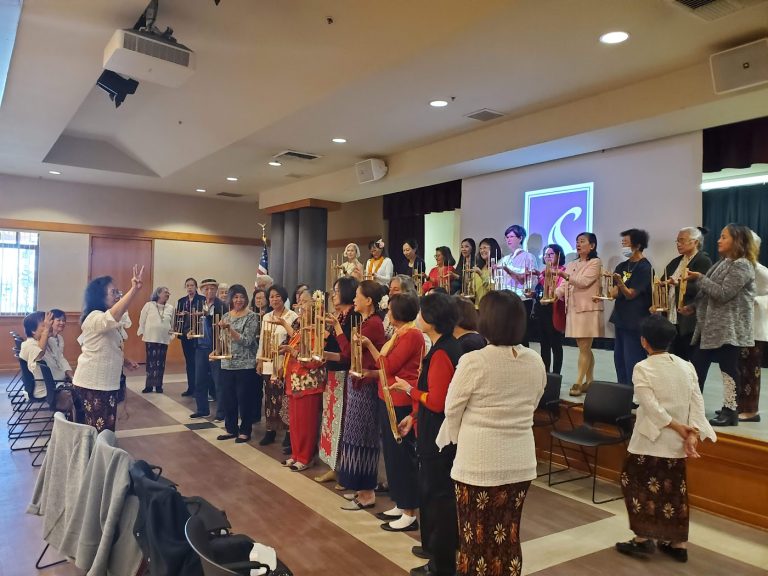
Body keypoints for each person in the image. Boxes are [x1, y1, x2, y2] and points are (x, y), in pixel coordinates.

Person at [439, 290, 545, 576]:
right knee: (508, 537)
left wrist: (461, 436)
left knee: (475, 539)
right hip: (520, 463)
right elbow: (534, 402)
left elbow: (452, 410)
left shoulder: (475, 361)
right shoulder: (534, 360)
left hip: (478, 462)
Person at [615, 315, 716, 564]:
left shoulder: (643, 367)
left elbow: (651, 407)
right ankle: (678, 544)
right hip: (676, 443)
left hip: (650, 440)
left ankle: (642, 539)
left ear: (644, 342)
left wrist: (679, 427)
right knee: (674, 493)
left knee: (637, 484)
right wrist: (691, 431)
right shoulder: (687, 366)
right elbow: (697, 401)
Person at [390, 292, 464, 576]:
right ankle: (435, 552)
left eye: (422, 313)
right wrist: (413, 415)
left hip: (438, 436)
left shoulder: (443, 351)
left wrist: (410, 391)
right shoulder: (443, 346)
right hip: (433, 429)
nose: (418, 318)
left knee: (439, 498)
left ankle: (441, 563)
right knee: (435, 495)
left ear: (432, 319)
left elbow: (437, 401)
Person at [359, 293, 424, 532]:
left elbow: (388, 365)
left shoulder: (412, 335)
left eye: (390, 311)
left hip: (400, 398)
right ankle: (400, 502)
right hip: (386, 395)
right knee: (392, 455)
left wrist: (369, 347)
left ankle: (409, 510)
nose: (387, 314)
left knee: (402, 455)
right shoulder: (399, 333)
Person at [686, 224, 757, 426]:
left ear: (737, 241)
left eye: (724, 237)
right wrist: (692, 307)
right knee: (697, 367)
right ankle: (694, 407)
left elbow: (723, 293)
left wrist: (699, 278)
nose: (719, 240)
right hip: (711, 327)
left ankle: (731, 411)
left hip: (729, 329)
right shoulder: (724, 262)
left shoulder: (742, 265)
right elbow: (708, 292)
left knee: (728, 370)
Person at [333, 280, 387, 510]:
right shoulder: (365, 321)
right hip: (358, 384)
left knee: (364, 436)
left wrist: (336, 327)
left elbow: (347, 352)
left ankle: (367, 492)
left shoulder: (373, 324)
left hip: (365, 387)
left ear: (369, 301)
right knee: (354, 435)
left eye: (357, 295)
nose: (353, 299)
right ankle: (359, 488)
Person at [72, 266, 144, 432]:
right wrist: (134, 290)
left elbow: (107, 345)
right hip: (93, 384)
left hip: (104, 384)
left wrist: (124, 361)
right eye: (114, 292)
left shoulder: (106, 319)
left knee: (104, 431)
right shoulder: (93, 317)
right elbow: (112, 317)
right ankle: (94, 458)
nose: (118, 296)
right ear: (99, 296)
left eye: (118, 292)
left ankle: (99, 457)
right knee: (98, 433)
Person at [316, 276, 358, 483]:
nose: (333, 295)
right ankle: (334, 465)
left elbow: (348, 353)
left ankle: (341, 468)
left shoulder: (352, 317)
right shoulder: (339, 316)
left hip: (344, 374)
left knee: (340, 422)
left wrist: (325, 354)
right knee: (331, 420)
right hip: (332, 373)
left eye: (336, 290)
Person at [280, 290, 327, 470]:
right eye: (300, 304)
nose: (301, 308)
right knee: (295, 421)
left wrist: (294, 352)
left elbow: (316, 360)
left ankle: (306, 457)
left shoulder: (319, 330)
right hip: (295, 380)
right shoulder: (301, 329)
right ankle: (296, 454)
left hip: (308, 383)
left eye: (305, 305)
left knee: (306, 422)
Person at [556, 232, 604, 396]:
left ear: (592, 246)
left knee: (584, 347)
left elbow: (583, 282)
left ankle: (578, 381)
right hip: (573, 309)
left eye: (582, 241)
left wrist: (566, 276)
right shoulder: (572, 263)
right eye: (577, 241)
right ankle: (589, 381)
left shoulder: (595, 262)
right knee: (584, 347)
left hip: (587, 309)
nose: (578, 244)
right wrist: (553, 295)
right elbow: (563, 285)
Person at [216, 284, 260, 443]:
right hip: (227, 363)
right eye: (235, 297)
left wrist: (230, 330)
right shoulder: (226, 316)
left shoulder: (252, 316)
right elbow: (222, 339)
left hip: (245, 365)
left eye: (241, 296)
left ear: (246, 298)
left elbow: (248, 341)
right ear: (231, 299)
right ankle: (231, 429)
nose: (238, 300)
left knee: (244, 399)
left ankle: (245, 431)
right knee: (228, 398)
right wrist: (215, 352)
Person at [609, 229, 652, 386]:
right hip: (620, 318)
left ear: (638, 245)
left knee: (632, 359)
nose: (623, 247)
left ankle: (634, 394)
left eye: (626, 243)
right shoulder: (622, 266)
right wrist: (609, 288)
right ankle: (623, 391)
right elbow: (613, 293)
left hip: (635, 320)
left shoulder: (645, 268)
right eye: (622, 244)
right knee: (619, 358)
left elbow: (630, 294)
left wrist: (620, 284)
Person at [257, 284, 298, 445]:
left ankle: (288, 433)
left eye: (277, 296)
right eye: (271, 297)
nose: (274, 299)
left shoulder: (292, 316)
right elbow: (262, 339)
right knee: (270, 396)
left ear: (284, 297)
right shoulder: (267, 317)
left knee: (285, 397)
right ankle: (270, 430)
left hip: (285, 362)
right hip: (269, 361)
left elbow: (295, 340)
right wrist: (259, 360)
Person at [663, 227, 712, 361]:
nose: (678, 244)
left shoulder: (703, 261)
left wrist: (679, 284)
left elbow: (704, 289)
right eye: (677, 241)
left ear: (695, 242)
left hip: (691, 322)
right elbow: (664, 280)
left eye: (682, 240)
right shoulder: (676, 262)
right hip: (673, 319)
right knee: (675, 362)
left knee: (694, 364)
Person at [19, 311, 77, 419]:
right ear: (33, 330)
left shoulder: (50, 341)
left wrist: (72, 377)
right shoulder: (28, 345)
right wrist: (46, 329)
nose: (49, 327)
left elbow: (61, 359)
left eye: (49, 323)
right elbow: (40, 354)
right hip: (49, 389)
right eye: (45, 325)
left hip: (58, 383)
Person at [737, 231, 767, 423]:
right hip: (736, 328)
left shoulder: (761, 271)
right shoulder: (735, 269)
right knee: (737, 370)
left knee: (750, 371)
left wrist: (754, 300)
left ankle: (751, 411)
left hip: (754, 329)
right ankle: (737, 406)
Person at [190, 279, 227, 420]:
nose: (209, 291)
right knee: (199, 380)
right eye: (206, 289)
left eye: (212, 288)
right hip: (200, 347)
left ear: (216, 290)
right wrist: (189, 331)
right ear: (201, 290)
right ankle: (202, 409)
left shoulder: (222, 306)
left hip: (215, 348)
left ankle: (221, 413)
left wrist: (208, 316)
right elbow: (190, 323)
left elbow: (224, 326)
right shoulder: (198, 304)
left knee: (219, 382)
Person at [499, 225, 537, 345]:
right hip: (507, 301)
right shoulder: (505, 259)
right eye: (507, 237)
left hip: (522, 301)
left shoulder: (528, 257)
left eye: (511, 236)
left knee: (521, 336)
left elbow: (528, 282)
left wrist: (508, 270)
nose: (508, 239)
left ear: (520, 238)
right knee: (507, 335)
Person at [533, 244, 566, 374]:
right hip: (542, 310)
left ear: (559, 255)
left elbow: (560, 292)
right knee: (544, 343)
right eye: (546, 254)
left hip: (555, 309)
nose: (548, 257)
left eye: (551, 254)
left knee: (556, 344)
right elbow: (539, 292)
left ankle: (556, 374)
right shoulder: (542, 273)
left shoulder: (563, 271)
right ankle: (545, 373)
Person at [137, 286, 174, 393]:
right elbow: (142, 319)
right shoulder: (149, 305)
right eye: (165, 292)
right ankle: (149, 385)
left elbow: (172, 323)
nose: (167, 294)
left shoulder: (170, 308)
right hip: (151, 338)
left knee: (161, 363)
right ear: (158, 294)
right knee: (151, 362)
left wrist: (171, 336)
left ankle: (158, 385)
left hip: (164, 338)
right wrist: (143, 331)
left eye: (168, 292)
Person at [176, 278, 205, 397]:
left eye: (192, 285)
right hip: (185, 335)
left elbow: (204, 315)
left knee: (198, 363)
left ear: (196, 287)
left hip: (198, 335)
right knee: (189, 363)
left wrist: (192, 314)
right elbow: (178, 318)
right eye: (187, 285)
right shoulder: (181, 301)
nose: (189, 288)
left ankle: (200, 389)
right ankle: (191, 387)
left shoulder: (202, 300)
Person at [471, 237, 503, 307]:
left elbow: (494, 289)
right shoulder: (479, 267)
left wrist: (481, 274)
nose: (482, 250)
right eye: (480, 248)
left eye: (485, 247)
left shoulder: (498, 267)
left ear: (493, 249)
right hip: (477, 307)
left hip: (491, 307)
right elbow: (474, 291)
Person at [46, 309, 74, 382]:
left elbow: (61, 358)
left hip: (59, 374)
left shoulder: (60, 338)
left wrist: (71, 375)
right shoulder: (45, 339)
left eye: (64, 320)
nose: (62, 323)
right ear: (51, 321)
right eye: (58, 320)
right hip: (51, 377)